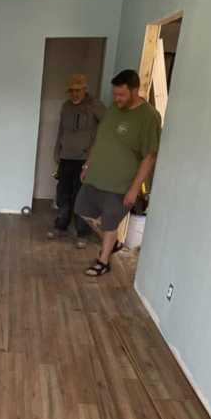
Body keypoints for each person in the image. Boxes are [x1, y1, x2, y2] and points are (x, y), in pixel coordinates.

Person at [75, 69, 161, 277]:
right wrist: (87, 165)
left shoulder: (149, 116)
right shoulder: (114, 108)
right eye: (115, 94)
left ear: (134, 90)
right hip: (97, 175)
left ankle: (103, 261)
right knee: (82, 209)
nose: (117, 99)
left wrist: (134, 189)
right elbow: (100, 139)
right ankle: (112, 241)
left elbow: (150, 156)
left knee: (110, 223)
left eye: (121, 95)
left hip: (120, 184)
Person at [47, 74, 106, 248]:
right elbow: (61, 130)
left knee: (82, 198)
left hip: (84, 160)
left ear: (85, 89)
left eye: (78, 90)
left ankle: (83, 233)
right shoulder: (65, 107)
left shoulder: (93, 105)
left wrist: (94, 156)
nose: (74, 94)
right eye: (71, 91)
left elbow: (107, 125)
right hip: (66, 158)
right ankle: (61, 226)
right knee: (63, 194)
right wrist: (57, 149)